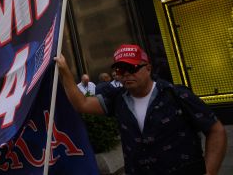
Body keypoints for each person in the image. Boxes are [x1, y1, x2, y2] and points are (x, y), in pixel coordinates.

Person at [55, 44, 227, 175]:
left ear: (148, 68)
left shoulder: (176, 95)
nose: (126, 74)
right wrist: (64, 70)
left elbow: (216, 130)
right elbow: (82, 104)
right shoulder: (117, 99)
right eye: (120, 70)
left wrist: (209, 172)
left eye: (132, 68)